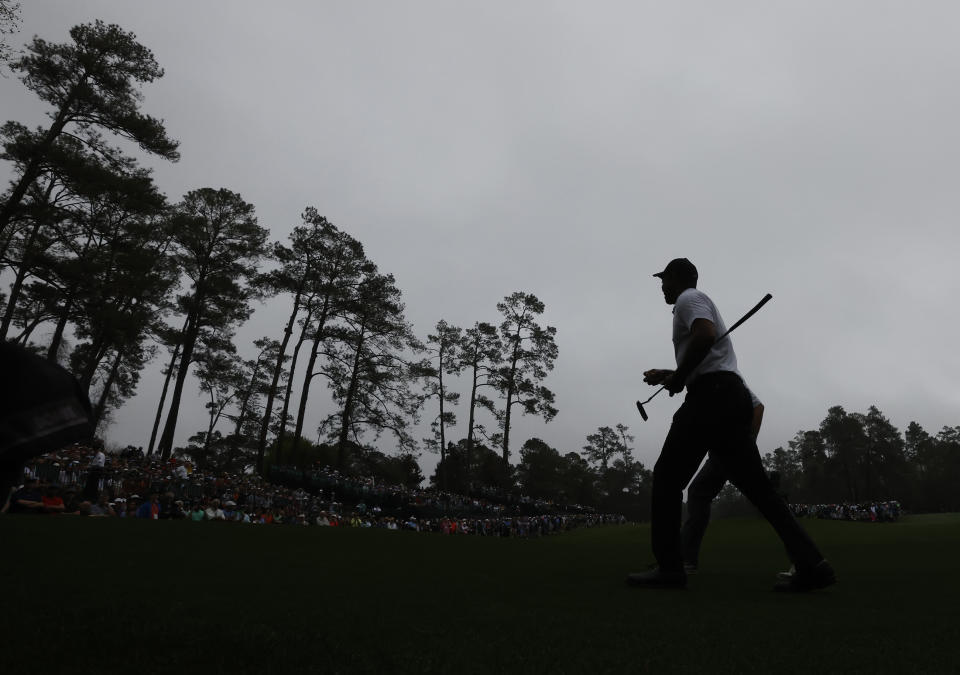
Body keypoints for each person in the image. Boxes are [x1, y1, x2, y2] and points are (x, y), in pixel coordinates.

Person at [626, 258, 835, 592]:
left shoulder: (687, 299)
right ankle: (813, 565)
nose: (662, 286)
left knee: (667, 478)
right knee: (761, 492)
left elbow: (705, 335)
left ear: (677, 278)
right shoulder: (693, 302)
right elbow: (706, 358)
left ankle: (670, 568)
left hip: (710, 398)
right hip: (728, 397)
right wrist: (673, 375)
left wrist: (680, 377)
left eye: (664, 280)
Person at [681, 390, 763, 573]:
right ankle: (685, 558)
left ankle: (807, 559)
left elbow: (758, 408)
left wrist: (749, 442)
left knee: (767, 501)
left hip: (733, 451)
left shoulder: (729, 379)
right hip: (722, 453)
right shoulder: (709, 379)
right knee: (697, 493)